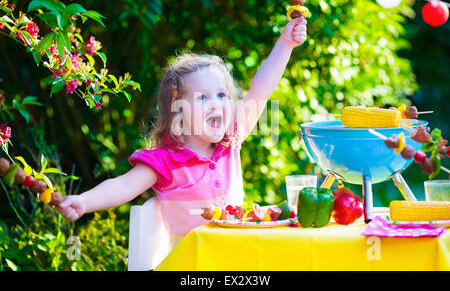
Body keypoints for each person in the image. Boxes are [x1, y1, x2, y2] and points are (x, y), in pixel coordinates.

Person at [56, 17, 308, 239]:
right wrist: (83, 201)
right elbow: (122, 186)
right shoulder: (165, 161)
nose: (216, 104)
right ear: (179, 109)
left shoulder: (230, 141)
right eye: (202, 98)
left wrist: (285, 44)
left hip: (236, 258)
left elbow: (260, 90)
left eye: (221, 95)